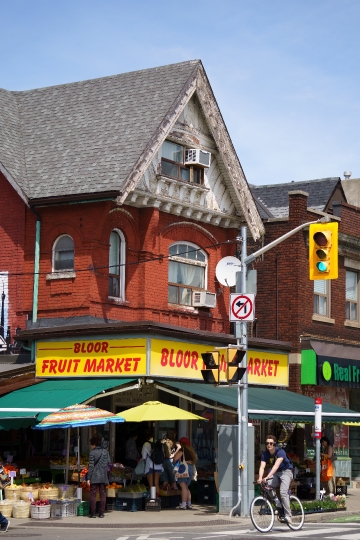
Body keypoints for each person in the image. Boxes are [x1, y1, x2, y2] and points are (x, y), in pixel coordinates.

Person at [257, 434, 293, 524]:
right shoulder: (265, 454)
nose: (269, 445)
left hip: (286, 472)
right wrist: (260, 478)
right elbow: (262, 467)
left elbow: (276, 466)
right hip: (276, 473)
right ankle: (278, 504)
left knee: (283, 492)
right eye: (267, 443)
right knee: (267, 486)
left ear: (274, 444)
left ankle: (288, 515)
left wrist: (268, 476)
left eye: (271, 443)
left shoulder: (280, 452)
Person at [87, 434, 111, 518]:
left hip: (94, 476)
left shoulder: (92, 453)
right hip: (103, 476)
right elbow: (109, 463)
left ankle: (93, 513)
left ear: (94, 444)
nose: (91, 446)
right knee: (103, 494)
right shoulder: (105, 452)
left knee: (93, 494)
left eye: (91, 444)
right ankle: (101, 513)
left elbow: (91, 467)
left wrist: (88, 478)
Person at [172, 436, 197, 510]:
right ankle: (189, 504)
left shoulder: (182, 450)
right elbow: (193, 461)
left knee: (183, 487)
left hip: (183, 469)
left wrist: (177, 450)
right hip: (190, 468)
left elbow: (175, 458)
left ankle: (183, 504)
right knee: (186, 487)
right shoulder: (191, 450)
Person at [141, 431, 164, 497]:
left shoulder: (146, 444)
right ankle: (157, 499)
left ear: (147, 438)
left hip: (150, 465)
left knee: (151, 484)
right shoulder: (159, 444)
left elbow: (144, 457)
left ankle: (152, 498)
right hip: (159, 466)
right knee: (156, 483)